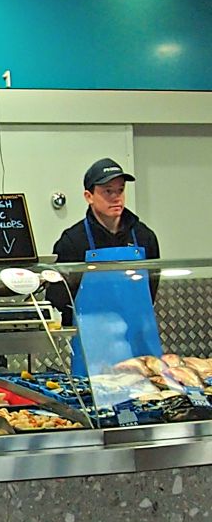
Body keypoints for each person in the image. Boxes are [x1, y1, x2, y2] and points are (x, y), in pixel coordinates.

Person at [47, 158, 161, 375]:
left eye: (120, 190)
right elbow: (58, 299)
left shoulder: (145, 237)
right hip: (93, 349)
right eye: (108, 191)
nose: (116, 197)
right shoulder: (73, 242)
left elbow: (150, 292)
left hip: (140, 344)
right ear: (88, 196)